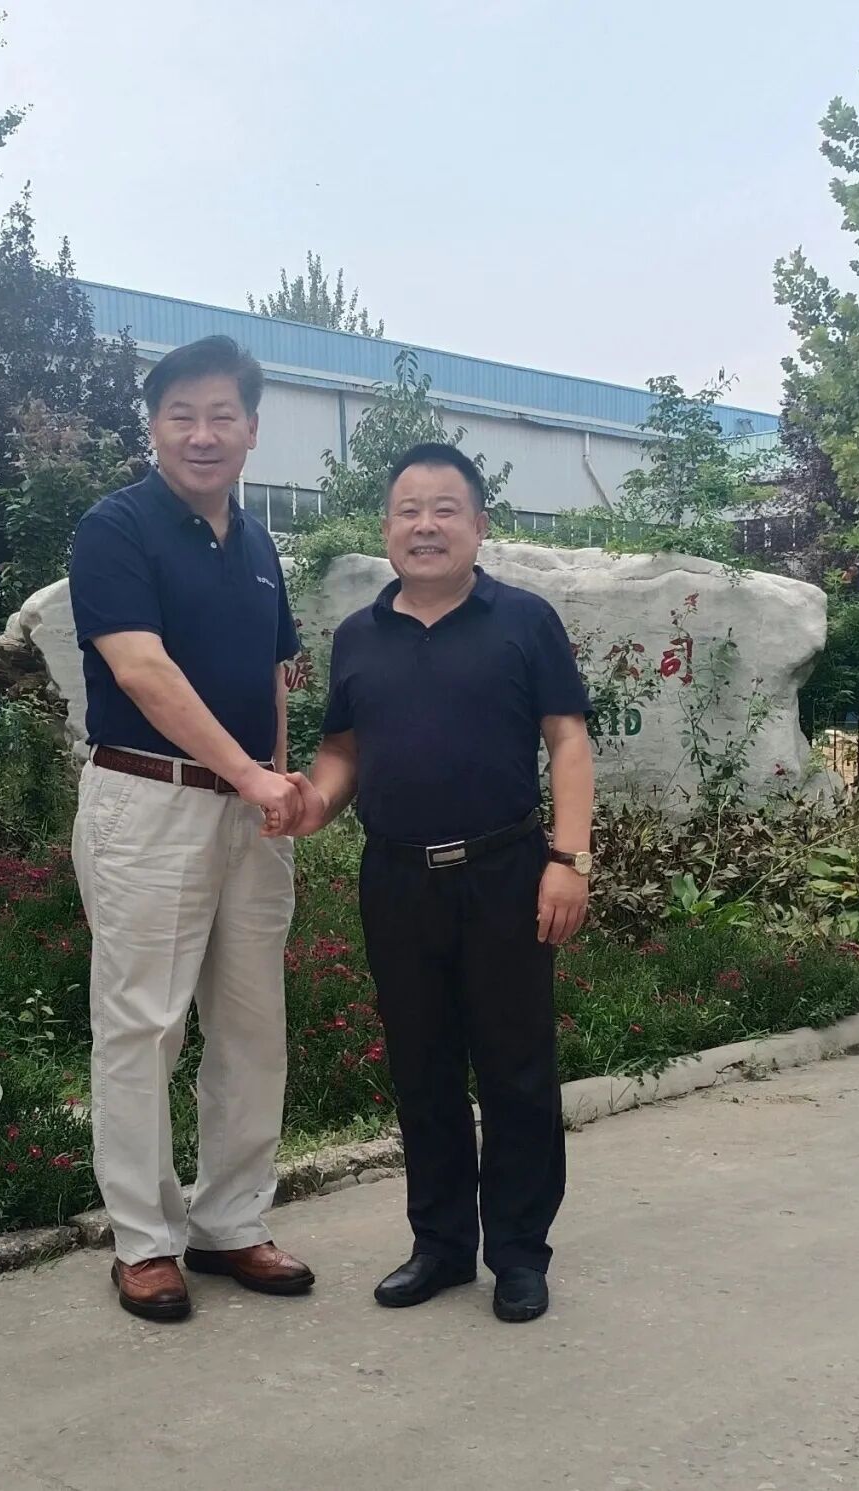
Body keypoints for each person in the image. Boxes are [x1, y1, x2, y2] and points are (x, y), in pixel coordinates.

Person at [286, 442, 594, 1323]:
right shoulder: (358, 635)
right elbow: (342, 751)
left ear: (479, 525)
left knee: (516, 1070)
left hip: (507, 873)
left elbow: (568, 739)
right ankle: (442, 1245)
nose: (426, 526)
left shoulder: (524, 620)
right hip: (396, 878)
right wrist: (313, 803)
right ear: (387, 526)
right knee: (421, 1068)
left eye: (445, 509)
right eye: (409, 510)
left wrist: (569, 861)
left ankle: (520, 1253)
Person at [69, 335, 314, 1322]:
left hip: (250, 815)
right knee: (144, 1025)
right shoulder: (115, 528)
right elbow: (142, 670)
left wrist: (277, 784)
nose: (202, 434)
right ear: (155, 427)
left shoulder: (258, 547)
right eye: (182, 415)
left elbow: (273, 677)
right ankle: (144, 1241)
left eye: (221, 416)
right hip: (149, 802)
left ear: (252, 429)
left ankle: (230, 1222)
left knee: (253, 1026)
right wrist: (252, 774)